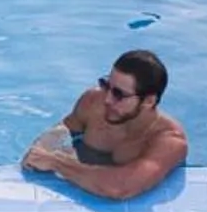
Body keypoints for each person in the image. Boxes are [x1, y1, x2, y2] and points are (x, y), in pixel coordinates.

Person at [23, 50, 188, 200]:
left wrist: (57, 162)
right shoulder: (93, 101)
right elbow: (62, 131)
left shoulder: (170, 140)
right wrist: (39, 151)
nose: (107, 100)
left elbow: (120, 188)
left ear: (148, 101)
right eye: (107, 86)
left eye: (119, 94)